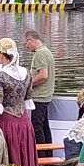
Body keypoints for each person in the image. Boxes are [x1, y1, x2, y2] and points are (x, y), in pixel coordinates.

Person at [0, 39, 39, 166]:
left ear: (2, 55)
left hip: (5, 121)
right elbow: (28, 98)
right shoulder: (27, 73)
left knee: (9, 155)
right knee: (25, 154)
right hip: (23, 121)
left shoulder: (0, 76)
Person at [24, 28, 56, 157]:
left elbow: (43, 75)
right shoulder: (47, 51)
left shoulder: (39, 54)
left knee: (37, 127)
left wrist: (28, 84)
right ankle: (48, 154)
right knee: (44, 126)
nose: (26, 46)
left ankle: (41, 158)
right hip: (46, 95)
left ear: (30, 40)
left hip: (40, 96)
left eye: (26, 43)